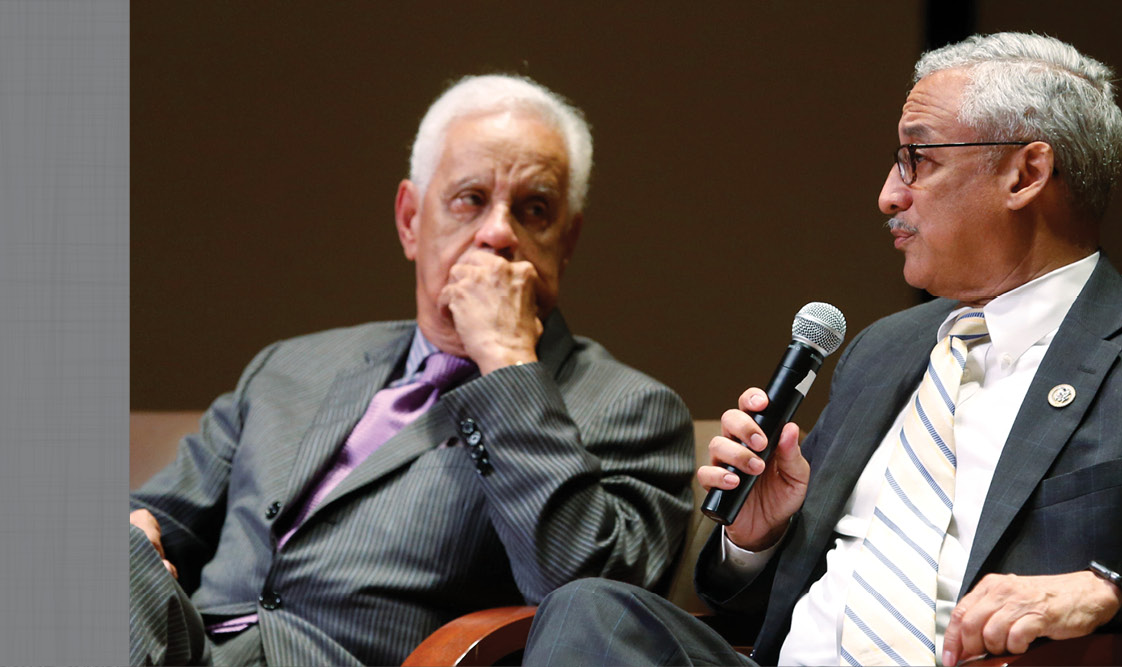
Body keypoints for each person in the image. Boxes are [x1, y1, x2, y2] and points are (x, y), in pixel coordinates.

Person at [520, 32, 1122, 666]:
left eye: (917, 159)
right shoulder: (884, 349)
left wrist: (1101, 588)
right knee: (590, 610)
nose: (888, 194)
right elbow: (752, 609)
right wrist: (757, 538)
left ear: (1026, 172)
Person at [128, 74, 696, 666]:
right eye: (470, 200)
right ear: (410, 221)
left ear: (567, 239)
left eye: (535, 210)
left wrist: (505, 362)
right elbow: (156, 519)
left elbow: (587, 606)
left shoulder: (631, 407)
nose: (499, 233)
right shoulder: (290, 366)